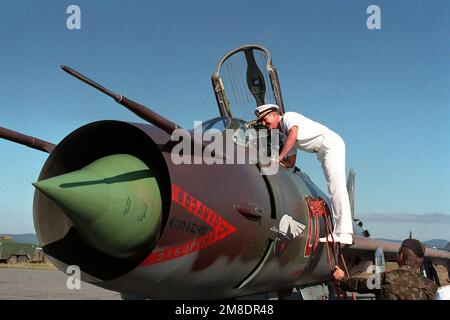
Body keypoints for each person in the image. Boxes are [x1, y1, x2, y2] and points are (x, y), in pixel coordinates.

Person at [255, 104, 353, 244]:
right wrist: (275, 163)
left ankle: (344, 233)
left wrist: (279, 157)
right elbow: (291, 162)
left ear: (274, 115)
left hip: (331, 144)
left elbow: (293, 135)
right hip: (322, 151)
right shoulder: (285, 134)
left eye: (265, 120)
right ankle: (341, 232)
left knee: (336, 187)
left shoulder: (289, 117)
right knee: (333, 187)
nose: (264, 124)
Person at [333, 238, 438, 300]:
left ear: (401, 256)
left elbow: (358, 284)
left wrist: (341, 278)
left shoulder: (387, 278)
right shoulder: (430, 287)